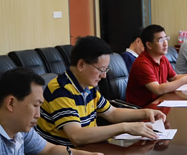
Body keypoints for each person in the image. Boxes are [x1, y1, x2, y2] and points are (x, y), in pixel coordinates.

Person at [37, 36, 166, 147]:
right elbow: (77, 136)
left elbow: (112, 113)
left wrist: (145, 113)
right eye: (101, 69)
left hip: (90, 150)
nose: (104, 76)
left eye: (106, 70)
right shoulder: (61, 90)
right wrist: (125, 127)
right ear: (81, 65)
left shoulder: (87, 87)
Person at [126, 24, 187, 106]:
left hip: (160, 102)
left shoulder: (163, 59)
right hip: (144, 108)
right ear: (149, 45)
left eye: (166, 39)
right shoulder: (142, 63)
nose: (165, 43)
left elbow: (174, 78)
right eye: (161, 40)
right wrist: (185, 80)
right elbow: (158, 90)